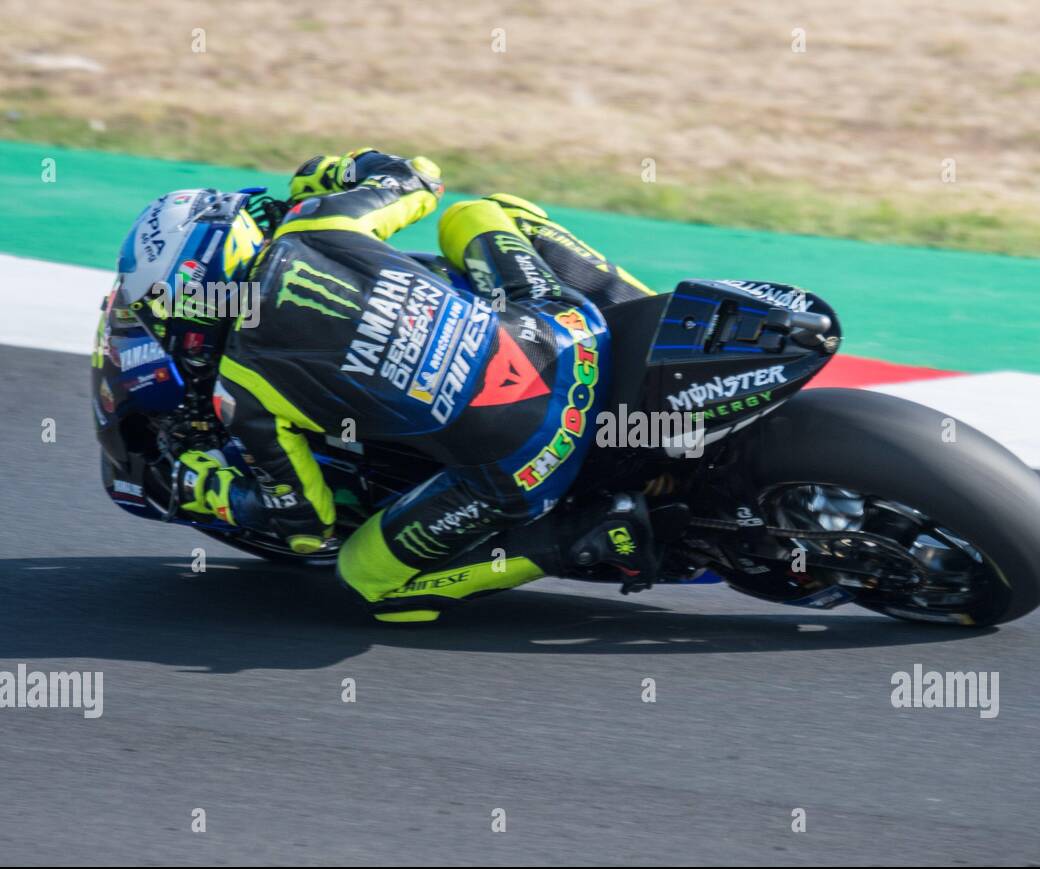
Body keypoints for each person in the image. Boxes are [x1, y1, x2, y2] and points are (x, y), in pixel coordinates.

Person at [112, 147, 655, 622]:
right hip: (566, 327)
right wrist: (337, 171)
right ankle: (645, 317)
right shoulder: (317, 223)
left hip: (533, 455)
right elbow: (419, 176)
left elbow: (306, 527)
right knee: (479, 213)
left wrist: (207, 489)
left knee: (368, 580)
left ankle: (584, 534)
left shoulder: (241, 391)